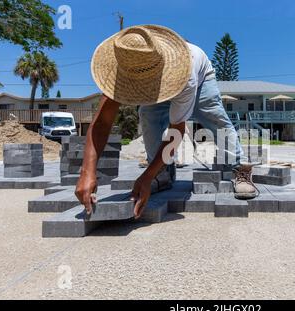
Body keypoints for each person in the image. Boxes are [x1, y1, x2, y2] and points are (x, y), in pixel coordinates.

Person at [75, 24, 257, 219]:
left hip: (200, 77)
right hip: (157, 79)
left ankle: (238, 166)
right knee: (148, 116)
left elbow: (176, 130)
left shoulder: (187, 76)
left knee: (214, 117)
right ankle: (161, 174)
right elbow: (102, 123)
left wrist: (145, 177)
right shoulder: (123, 69)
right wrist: (87, 171)